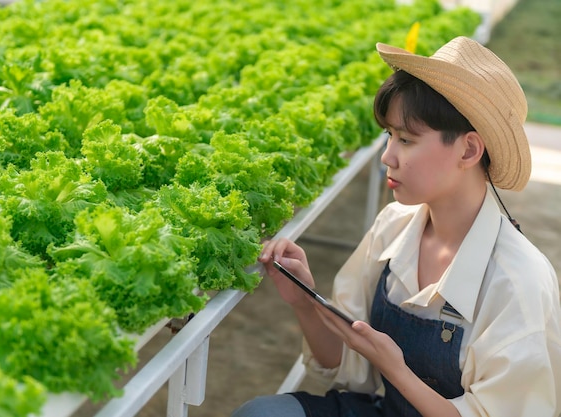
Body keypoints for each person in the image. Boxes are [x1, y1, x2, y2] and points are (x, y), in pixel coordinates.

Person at [231, 36, 561, 417]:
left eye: (406, 139)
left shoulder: (518, 283)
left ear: (469, 150)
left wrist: (395, 369)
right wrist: (304, 301)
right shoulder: (394, 226)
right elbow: (343, 365)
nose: (388, 156)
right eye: (389, 135)